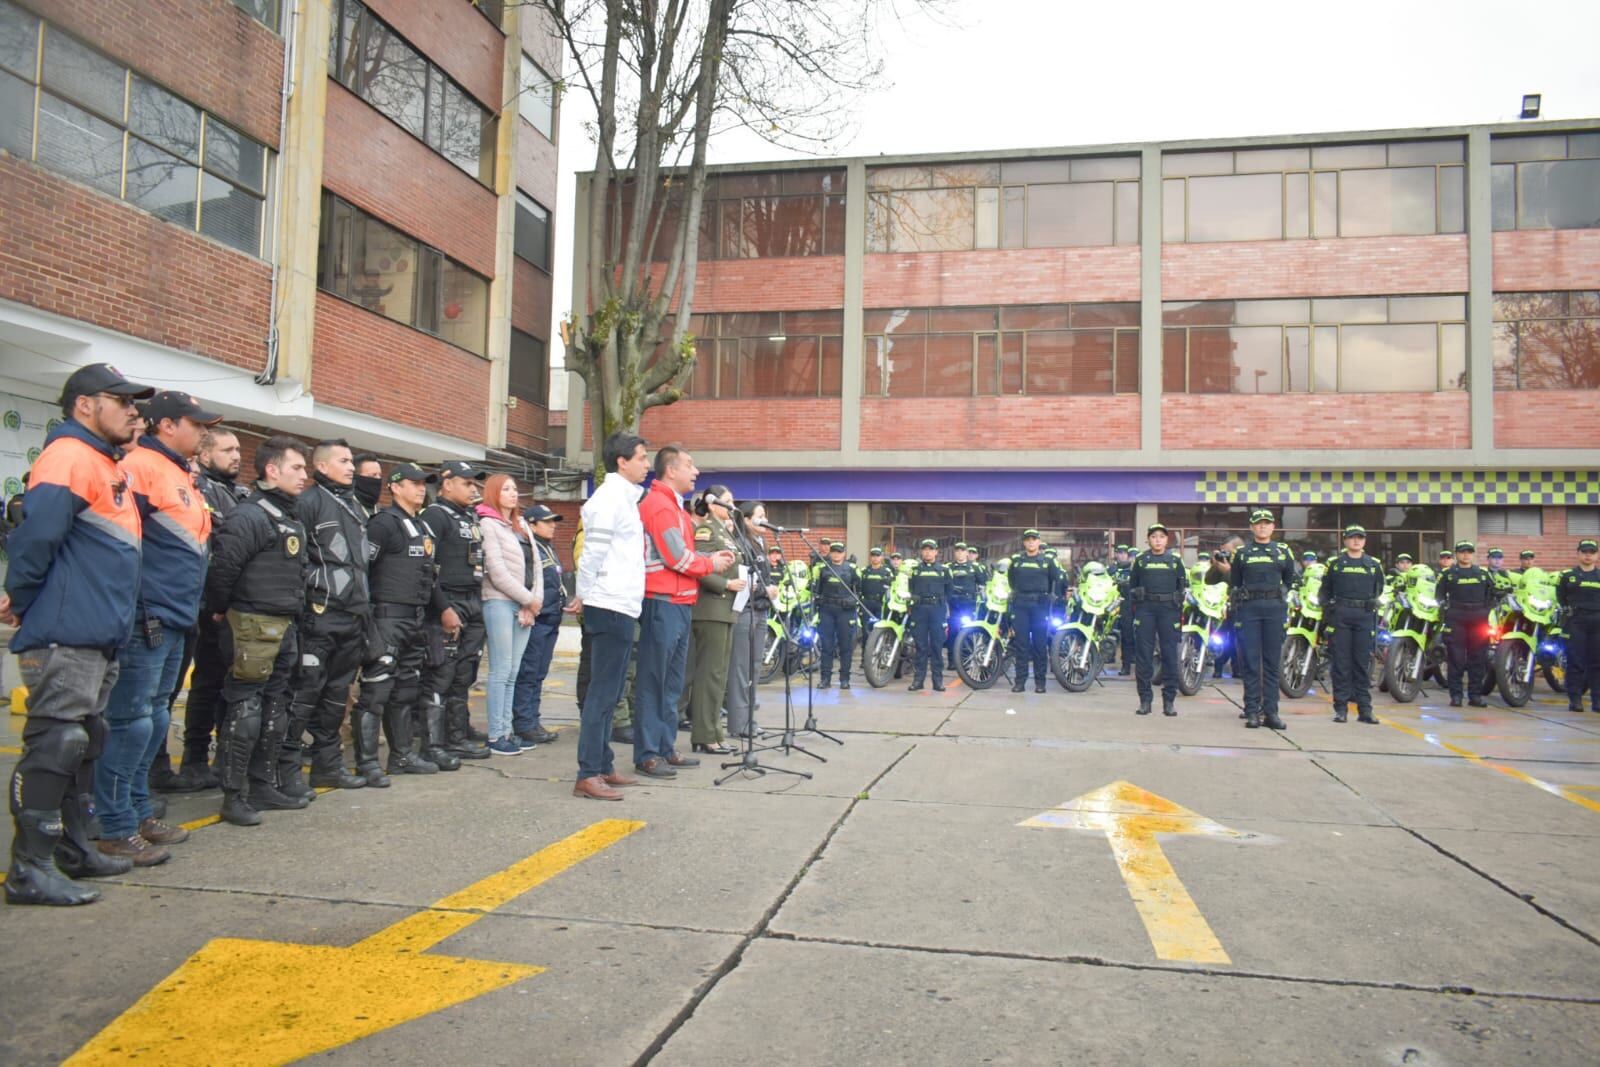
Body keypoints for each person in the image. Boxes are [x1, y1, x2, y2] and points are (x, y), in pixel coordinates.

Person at [3, 364, 152, 905]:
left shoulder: (104, 462)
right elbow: (35, 539)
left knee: (86, 741)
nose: (134, 411)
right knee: (58, 742)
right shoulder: (68, 455)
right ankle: (30, 868)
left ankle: (73, 849)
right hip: (67, 632)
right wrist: (20, 599)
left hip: (97, 632)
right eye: (123, 401)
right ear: (85, 405)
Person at [93, 392, 221, 865]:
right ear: (166, 425)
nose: (204, 432)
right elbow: (120, 542)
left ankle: (138, 810)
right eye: (196, 424)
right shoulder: (140, 466)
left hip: (176, 616)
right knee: (131, 721)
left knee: (155, 718)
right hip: (147, 615)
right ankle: (114, 824)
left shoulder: (178, 471)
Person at [205, 436, 314, 827]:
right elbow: (223, 570)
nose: (304, 475)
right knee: (246, 708)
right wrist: (220, 610)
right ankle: (234, 796)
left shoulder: (288, 515)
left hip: (284, 624)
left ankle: (263, 787)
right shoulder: (250, 515)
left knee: (275, 707)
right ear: (272, 469)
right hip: (252, 624)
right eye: (296, 467)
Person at [634, 446, 734, 779]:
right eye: (690, 465)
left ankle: (665, 747)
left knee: (673, 683)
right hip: (662, 601)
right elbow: (676, 557)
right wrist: (711, 563)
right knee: (655, 681)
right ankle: (648, 753)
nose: (696, 471)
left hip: (679, 603)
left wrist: (707, 560)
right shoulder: (660, 506)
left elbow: (684, 555)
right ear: (671, 470)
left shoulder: (675, 507)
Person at [158, 426, 249, 791]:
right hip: (204, 605)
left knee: (225, 683)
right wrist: (214, 601)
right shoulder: (200, 490)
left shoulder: (239, 494)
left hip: (231, 606)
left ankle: (219, 756)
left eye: (238, 449)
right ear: (205, 455)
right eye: (227, 450)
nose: (236, 456)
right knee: (203, 683)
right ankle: (193, 757)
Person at [280, 439, 372, 792]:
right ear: (321, 466)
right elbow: (296, 560)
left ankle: (327, 767)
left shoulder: (354, 506)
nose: (351, 467)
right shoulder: (307, 503)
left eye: (351, 461)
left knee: (336, 697)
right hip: (320, 616)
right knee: (304, 695)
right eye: (343, 461)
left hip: (353, 616)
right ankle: (286, 771)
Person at [350, 463, 449, 786]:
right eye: (414, 483)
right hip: (386, 618)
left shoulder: (422, 525)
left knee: (406, 691)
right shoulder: (383, 523)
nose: (421, 488)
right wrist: (366, 617)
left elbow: (429, 575)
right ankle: (367, 763)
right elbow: (363, 568)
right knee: (376, 690)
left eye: (424, 484)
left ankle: (402, 755)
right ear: (394, 487)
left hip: (415, 619)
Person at [568, 433, 651, 800]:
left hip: (623, 604)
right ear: (622, 461)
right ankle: (588, 773)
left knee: (612, 691)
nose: (647, 464)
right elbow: (592, 554)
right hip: (609, 604)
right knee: (602, 694)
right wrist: (584, 594)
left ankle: (603, 764)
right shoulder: (608, 500)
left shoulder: (625, 499)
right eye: (642, 457)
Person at [419, 461, 492, 761]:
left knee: (464, 675)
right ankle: (434, 744)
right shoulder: (435, 515)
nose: (473, 489)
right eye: (467, 483)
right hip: (448, 601)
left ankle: (457, 735)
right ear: (447, 484)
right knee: (442, 675)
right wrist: (444, 608)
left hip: (472, 599)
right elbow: (427, 567)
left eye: (475, 484)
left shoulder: (468, 515)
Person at [478, 474, 542, 755]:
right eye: (506, 489)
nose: (513, 493)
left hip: (525, 605)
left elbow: (536, 566)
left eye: (515, 489)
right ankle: (496, 734)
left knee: (513, 671)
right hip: (499, 602)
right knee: (501, 670)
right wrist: (528, 599)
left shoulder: (522, 525)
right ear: (494, 493)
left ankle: (508, 731)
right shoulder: (488, 524)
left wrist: (533, 602)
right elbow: (496, 571)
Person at [687, 487, 747, 752]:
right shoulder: (707, 530)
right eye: (727, 501)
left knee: (719, 675)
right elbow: (699, 568)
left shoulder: (726, 531)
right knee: (709, 674)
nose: (732, 505)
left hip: (726, 610)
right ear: (712, 505)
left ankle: (714, 732)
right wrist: (725, 584)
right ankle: (703, 735)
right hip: (710, 608)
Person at [1229, 509, 1298, 730]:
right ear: (1252, 527)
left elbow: (1290, 579)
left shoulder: (1282, 551)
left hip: (1274, 610)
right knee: (1250, 662)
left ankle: (1271, 713)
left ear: (1273, 527)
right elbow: (1235, 583)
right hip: (1249, 609)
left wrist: (1284, 596)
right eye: (1258, 523)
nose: (1262, 526)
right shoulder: (1242, 553)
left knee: (1271, 663)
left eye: (1267, 523)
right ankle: (1251, 711)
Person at [511, 504, 565, 747]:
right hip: (538, 619)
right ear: (532, 525)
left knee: (539, 673)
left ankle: (533, 720)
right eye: (547, 521)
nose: (553, 525)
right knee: (529, 672)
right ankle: (524, 723)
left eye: (554, 521)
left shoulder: (547, 547)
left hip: (552, 617)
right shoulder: (528, 547)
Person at [1325, 525, 1386, 724]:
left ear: (1365, 541)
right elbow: (1325, 591)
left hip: (1364, 616)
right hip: (1341, 615)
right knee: (1341, 664)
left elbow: (1380, 589)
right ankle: (1341, 709)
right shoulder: (1335, 564)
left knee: (1362, 664)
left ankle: (1365, 710)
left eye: (1360, 537)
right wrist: (1330, 613)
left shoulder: (1373, 564)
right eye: (1352, 537)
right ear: (1345, 540)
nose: (1356, 541)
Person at [726, 501, 776, 741]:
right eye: (759, 515)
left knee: (754, 667)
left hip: (761, 610)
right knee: (740, 668)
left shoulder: (761, 543)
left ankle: (749, 720)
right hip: (745, 610)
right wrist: (766, 590)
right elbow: (744, 580)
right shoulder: (739, 544)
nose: (764, 520)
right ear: (746, 520)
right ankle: (738, 723)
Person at [1128, 523, 1187, 717]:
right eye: (1154, 537)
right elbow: (1132, 585)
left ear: (1167, 540)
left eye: (1161, 536)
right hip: (1146, 609)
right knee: (1144, 656)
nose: (1158, 540)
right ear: (1148, 540)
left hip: (1169, 610)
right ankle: (1145, 700)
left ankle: (1169, 701)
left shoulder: (1175, 561)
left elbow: (1182, 586)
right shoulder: (1141, 561)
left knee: (1169, 655)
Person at [1436, 540, 1492, 709]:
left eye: (1469, 552)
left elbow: (1492, 595)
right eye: (1462, 552)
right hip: (1456, 617)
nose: (1466, 555)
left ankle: (1475, 696)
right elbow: (1439, 595)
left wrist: (1486, 611)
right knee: (1456, 658)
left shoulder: (1483, 574)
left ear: (1473, 554)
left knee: (1478, 658)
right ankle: (1456, 696)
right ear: (1456, 554)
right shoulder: (1448, 574)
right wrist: (1445, 610)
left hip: (1479, 618)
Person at [1008, 529, 1063, 693]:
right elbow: (1011, 580)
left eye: (1034, 539)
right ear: (1024, 542)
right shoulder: (1016, 560)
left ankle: (1040, 683)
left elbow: (1057, 579)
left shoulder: (1048, 560)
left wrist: (1053, 596)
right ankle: (1020, 682)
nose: (1031, 542)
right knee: (1021, 645)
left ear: (1039, 542)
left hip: (1040, 606)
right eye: (1028, 539)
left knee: (1039, 645)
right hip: (1021, 605)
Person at [1557, 539, 1600, 713]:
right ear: (1578, 554)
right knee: (1575, 661)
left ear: (1597, 555)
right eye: (1584, 552)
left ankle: (1597, 701)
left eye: (1592, 552)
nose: (1588, 555)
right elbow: (1561, 598)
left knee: (1597, 663)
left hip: (1598, 622)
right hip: (1576, 622)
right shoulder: (1567, 576)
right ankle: (1575, 700)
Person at [904, 538, 951, 692]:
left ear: (936, 552)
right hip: (920, 610)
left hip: (937, 610)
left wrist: (945, 610)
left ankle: (938, 681)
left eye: (931, 549)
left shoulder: (944, 570)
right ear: (921, 552)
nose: (927, 552)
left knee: (937, 646)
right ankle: (918, 681)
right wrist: (910, 606)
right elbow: (910, 589)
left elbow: (949, 591)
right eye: (925, 549)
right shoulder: (915, 570)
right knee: (921, 647)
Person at [812, 539, 859, 690]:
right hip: (827, 610)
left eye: (839, 552)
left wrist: (854, 600)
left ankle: (844, 679)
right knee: (827, 646)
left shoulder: (852, 568)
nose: (836, 554)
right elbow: (816, 590)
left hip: (845, 611)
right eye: (834, 551)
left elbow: (859, 590)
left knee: (846, 646)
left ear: (844, 553)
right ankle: (825, 679)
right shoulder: (822, 568)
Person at [946, 543, 981, 670]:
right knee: (953, 633)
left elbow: (983, 584)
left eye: (962, 551)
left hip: (969, 605)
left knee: (968, 632)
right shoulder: (948, 567)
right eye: (957, 551)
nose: (960, 553)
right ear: (954, 553)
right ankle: (952, 661)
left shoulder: (975, 567)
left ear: (967, 553)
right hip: (954, 605)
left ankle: (966, 660)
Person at [858, 547, 892, 669]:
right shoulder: (864, 571)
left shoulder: (887, 571)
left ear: (881, 557)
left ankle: (879, 658)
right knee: (866, 633)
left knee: (879, 632)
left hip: (880, 605)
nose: (875, 558)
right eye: (873, 555)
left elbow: (891, 589)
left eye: (877, 555)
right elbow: (858, 587)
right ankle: (865, 659)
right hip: (866, 603)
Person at [1109, 545, 1135, 675]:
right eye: (1120, 552)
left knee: (1127, 636)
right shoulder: (1111, 569)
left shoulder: (1132, 570)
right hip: (1111, 604)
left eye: (1125, 553)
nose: (1122, 555)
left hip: (1127, 605)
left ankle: (1126, 666)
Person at [351, 453, 384, 520]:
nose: (378, 479)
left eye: (380, 475)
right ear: (357, 477)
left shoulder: (380, 511)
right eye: (373, 475)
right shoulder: (346, 508)